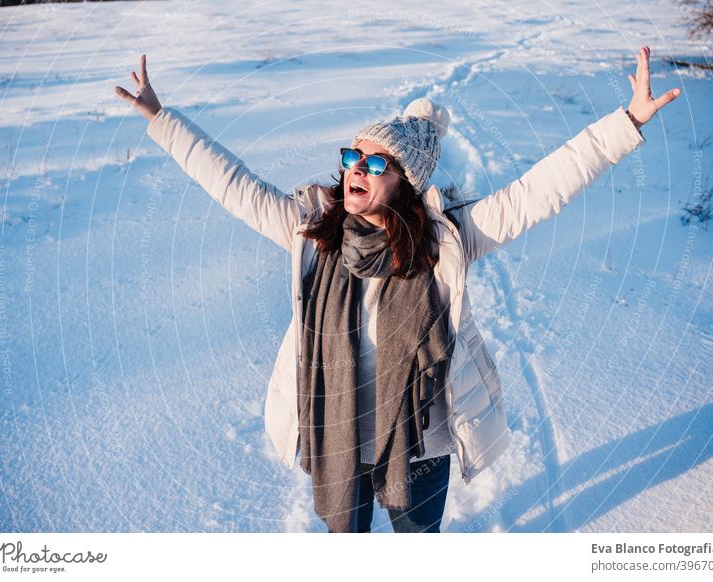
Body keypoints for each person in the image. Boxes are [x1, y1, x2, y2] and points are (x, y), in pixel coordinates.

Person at [115, 47, 680, 533]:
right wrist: (162, 119)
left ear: (405, 179)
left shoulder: (446, 241)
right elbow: (231, 183)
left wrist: (625, 122)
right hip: (334, 431)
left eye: (373, 160)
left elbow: (539, 191)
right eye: (350, 157)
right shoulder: (313, 230)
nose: (354, 168)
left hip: (419, 440)